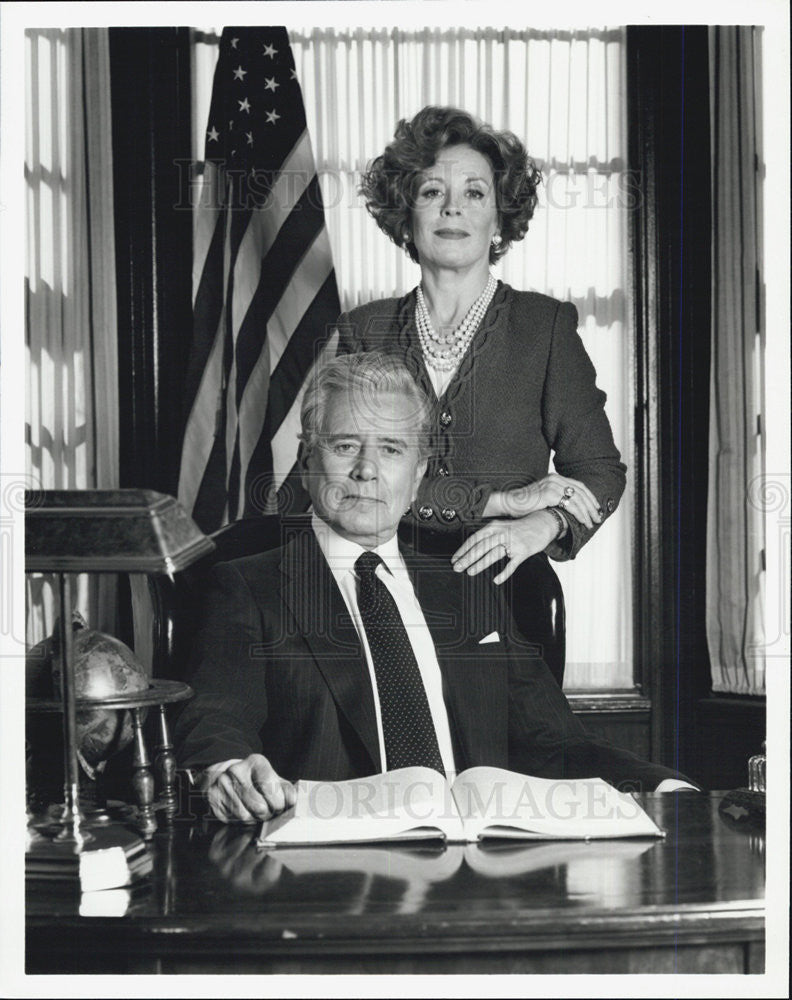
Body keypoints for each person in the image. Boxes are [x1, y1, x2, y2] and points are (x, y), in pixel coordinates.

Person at [174, 352, 695, 823]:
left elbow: (554, 744)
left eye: (392, 449)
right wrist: (226, 770)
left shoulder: (469, 588)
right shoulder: (247, 584)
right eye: (345, 444)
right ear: (309, 459)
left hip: (479, 869)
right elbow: (218, 714)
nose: (366, 471)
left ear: (419, 471)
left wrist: (664, 787)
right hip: (331, 872)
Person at [336, 105, 626, 588]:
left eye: (474, 193)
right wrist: (502, 502)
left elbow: (599, 472)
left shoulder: (544, 326)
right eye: (432, 192)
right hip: (378, 586)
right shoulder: (365, 330)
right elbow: (347, 476)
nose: (454, 208)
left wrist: (542, 524)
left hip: (507, 588)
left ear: (499, 222)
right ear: (406, 220)